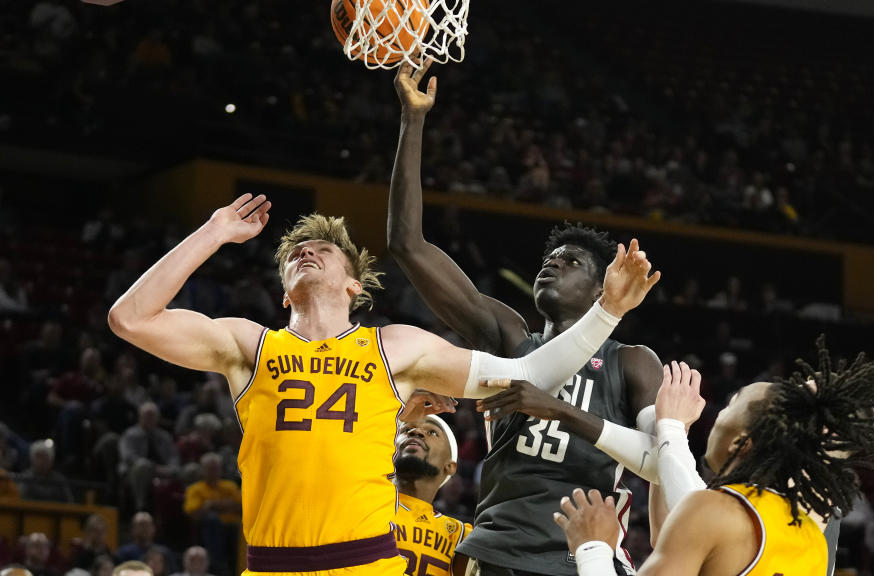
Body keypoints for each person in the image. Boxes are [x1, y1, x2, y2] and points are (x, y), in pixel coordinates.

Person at [107, 193, 661, 575]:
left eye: (323, 251)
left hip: (366, 560)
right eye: (295, 254)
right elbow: (130, 318)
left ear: (354, 285)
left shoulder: (395, 345)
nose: (306, 253)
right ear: (282, 293)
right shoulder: (249, 345)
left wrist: (607, 313)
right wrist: (213, 232)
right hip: (272, 560)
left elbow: (530, 374)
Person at [389, 61, 664, 576]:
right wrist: (413, 120)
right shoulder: (510, 337)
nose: (552, 262)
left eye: (571, 260)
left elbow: (662, 461)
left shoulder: (632, 363)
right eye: (549, 256)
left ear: (604, 285)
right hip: (495, 552)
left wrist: (559, 411)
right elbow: (408, 245)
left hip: (583, 556)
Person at [553, 336, 874, 576]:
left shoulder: (719, 511)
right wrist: (669, 437)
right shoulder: (808, 535)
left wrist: (594, 548)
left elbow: (699, 516)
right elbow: (684, 542)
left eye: (733, 403)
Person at [394, 416, 472, 576]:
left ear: (449, 466)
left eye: (432, 432)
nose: (416, 431)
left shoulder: (461, 535)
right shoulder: (361, 505)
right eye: (406, 430)